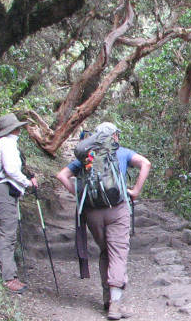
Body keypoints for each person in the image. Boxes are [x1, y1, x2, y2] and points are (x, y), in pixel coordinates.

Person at [55, 122, 151, 320]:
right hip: (117, 209)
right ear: (114, 136)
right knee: (118, 252)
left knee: (105, 251)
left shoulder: (86, 156)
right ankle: (114, 304)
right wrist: (135, 191)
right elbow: (145, 164)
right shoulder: (122, 152)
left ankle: (107, 299)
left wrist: (78, 193)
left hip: (92, 212)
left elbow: (62, 175)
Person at [0, 113, 39, 293]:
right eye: (19, 127)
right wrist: (27, 182)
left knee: (8, 234)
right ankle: (8, 278)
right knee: (6, 235)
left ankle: (10, 275)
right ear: (14, 129)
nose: (20, 130)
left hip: (2, 192)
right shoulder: (7, 144)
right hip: (2, 193)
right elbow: (10, 170)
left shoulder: (3, 143)